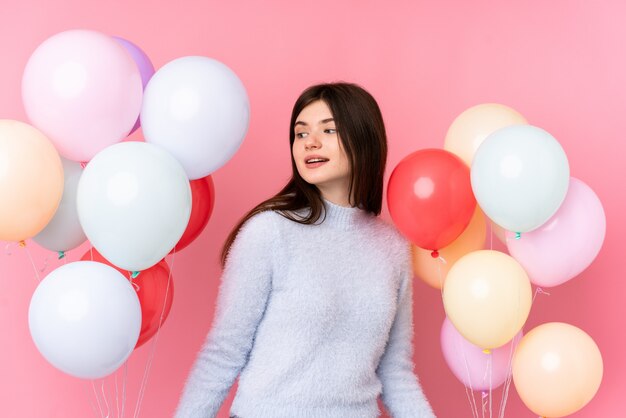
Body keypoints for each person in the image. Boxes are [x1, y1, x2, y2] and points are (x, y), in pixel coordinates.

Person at [174, 82, 435, 418]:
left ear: (364, 139)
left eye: (329, 130)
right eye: (300, 133)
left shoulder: (393, 248)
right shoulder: (269, 232)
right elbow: (225, 351)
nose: (310, 142)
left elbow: (396, 372)